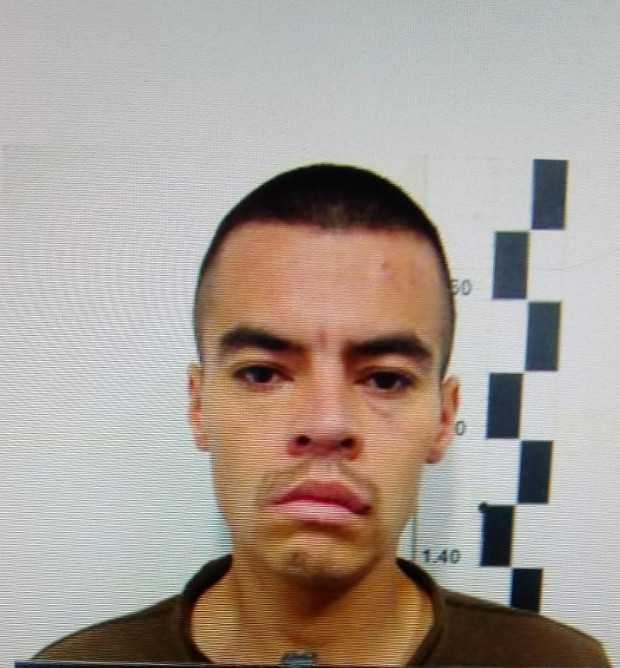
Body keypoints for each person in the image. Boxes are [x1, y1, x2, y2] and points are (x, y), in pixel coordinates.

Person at [34, 164, 609, 666]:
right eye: (263, 373)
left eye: (385, 379)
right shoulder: (82, 666)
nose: (327, 425)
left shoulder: (555, 666)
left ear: (443, 419)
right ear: (199, 404)